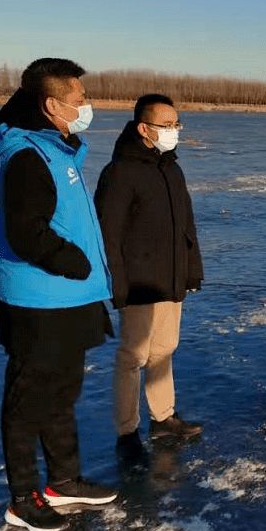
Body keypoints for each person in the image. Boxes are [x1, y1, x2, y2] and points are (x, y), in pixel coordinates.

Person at [0, 58, 118, 531]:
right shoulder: (26, 156)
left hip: (68, 299)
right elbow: (26, 232)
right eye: (80, 100)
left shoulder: (57, 151)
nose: (88, 107)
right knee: (26, 402)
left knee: (61, 394)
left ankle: (63, 480)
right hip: (37, 304)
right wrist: (74, 261)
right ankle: (23, 499)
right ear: (51, 104)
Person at [95, 94, 204, 467]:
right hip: (139, 282)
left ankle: (163, 419)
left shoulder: (171, 168)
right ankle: (127, 432)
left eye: (177, 124)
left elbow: (186, 228)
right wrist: (116, 284)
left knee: (165, 348)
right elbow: (107, 234)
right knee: (133, 356)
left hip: (170, 279)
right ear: (144, 128)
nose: (174, 131)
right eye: (167, 125)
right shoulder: (120, 172)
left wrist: (191, 269)